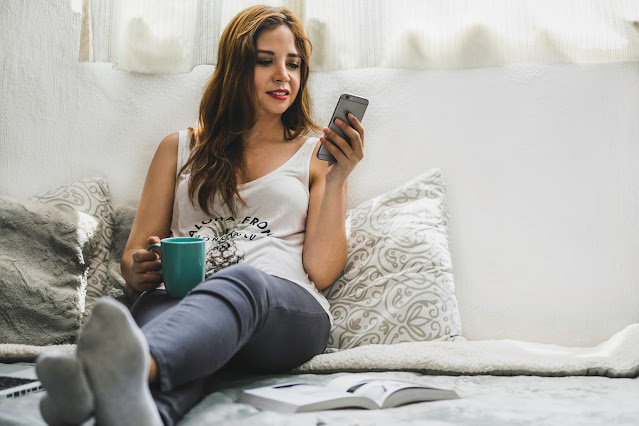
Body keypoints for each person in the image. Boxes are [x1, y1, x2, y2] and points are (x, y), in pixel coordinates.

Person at [35, 4, 365, 426]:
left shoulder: (315, 156)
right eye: (265, 61)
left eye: (294, 63)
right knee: (186, 340)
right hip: (180, 302)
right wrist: (140, 269)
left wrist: (338, 179)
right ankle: (137, 410)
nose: (284, 75)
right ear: (234, 68)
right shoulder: (178, 149)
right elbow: (134, 254)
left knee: (240, 281)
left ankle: (116, 369)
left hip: (280, 307)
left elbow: (320, 271)